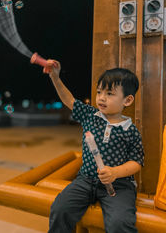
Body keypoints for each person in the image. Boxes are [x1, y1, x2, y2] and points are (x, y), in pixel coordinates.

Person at [45, 60, 144, 233]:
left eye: (110, 93)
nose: (101, 97)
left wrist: (115, 173)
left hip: (119, 186)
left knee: (120, 223)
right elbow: (68, 99)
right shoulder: (90, 115)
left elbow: (136, 162)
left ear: (127, 100)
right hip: (85, 180)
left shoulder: (131, 130)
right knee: (60, 209)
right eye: (99, 92)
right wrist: (55, 77)